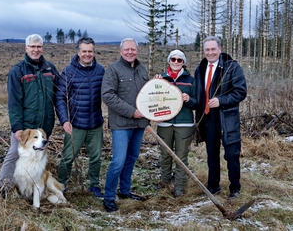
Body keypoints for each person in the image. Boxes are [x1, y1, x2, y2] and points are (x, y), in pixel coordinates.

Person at [0, 34, 60, 196]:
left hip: (44, 125)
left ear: (42, 48)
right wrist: (17, 127)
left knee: (38, 156)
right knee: (14, 154)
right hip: (25, 126)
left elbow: (59, 96)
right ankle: (3, 187)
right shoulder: (17, 71)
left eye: (39, 46)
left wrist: (64, 118)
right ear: (26, 48)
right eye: (32, 46)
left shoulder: (50, 69)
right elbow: (14, 103)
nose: (36, 50)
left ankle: (31, 189)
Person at [194, 36, 247, 199]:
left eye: (213, 49)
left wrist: (221, 101)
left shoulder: (232, 67)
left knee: (231, 154)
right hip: (208, 119)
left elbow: (241, 92)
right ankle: (213, 186)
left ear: (220, 49)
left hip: (227, 118)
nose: (210, 52)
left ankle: (235, 189)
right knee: (212, 154)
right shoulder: (200, 68)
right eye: (207, 50)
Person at [101, 38, 150, 212]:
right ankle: (108, 197)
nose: (130, 52)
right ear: (120, 51)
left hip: (139, 124)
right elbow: (107, 95)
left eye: (133, 49)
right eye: (127, 49)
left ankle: (125, 190)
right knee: (118, 161)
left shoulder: (142, 69)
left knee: (131, 159)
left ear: (137, 50)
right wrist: (132, 112)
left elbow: (149, 93)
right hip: (121, 124)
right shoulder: (113, 70)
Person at [55, 37, 105, 198]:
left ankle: (94, 185)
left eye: (90, 51)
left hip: (95, 123)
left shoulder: (101, 71)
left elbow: (110, 93)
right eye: (84, 51)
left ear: (94, 52)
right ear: (78, 52)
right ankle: (61, 184)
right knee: (68, 157)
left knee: (96, 157)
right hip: (75, 124)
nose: (87, 54)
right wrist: (64, 120)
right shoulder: (69, 72)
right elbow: (60, 98)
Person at [155, 49, 197, 198]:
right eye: (173, 59)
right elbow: (152, 100)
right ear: (169, 61)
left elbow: (197, 103)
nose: (176, 62)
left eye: (180, 60)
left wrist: (189, 100)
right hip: (164, 123)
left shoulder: (191, 80)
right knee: (165, 154)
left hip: (184, 124)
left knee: (181, 156)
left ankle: (179, 186)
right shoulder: (160, 79)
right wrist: (155, 85)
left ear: (183, 63)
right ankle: (165, 183)